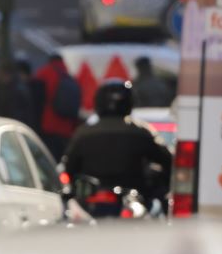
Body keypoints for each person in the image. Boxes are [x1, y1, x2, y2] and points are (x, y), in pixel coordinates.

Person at [62, 79, 173, 213]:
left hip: (93, 202)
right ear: (130, 103)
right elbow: (168, 161)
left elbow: (69, 167)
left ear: (98, 103)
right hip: (133, 201)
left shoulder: (83, 133)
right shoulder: (141, 132)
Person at [34, 53, 80, 159]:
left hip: (48, 125)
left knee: (49, 158)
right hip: (67, 128)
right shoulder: (69, 76)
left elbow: (36, 100)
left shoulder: (44, 73)